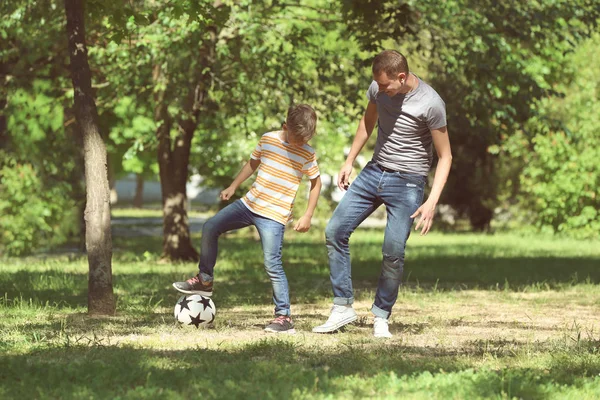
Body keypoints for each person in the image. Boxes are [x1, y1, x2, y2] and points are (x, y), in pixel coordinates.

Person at [312, 50, 452, 338]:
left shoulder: (431, 103)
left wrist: (432, 201)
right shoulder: (378, 87)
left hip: (409, 182)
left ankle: (381, 317)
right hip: (374, 171)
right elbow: (367, 123)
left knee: (393, 251)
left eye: (387, 85)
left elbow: (446, 156)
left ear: (401, 77)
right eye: (378, 85)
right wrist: (350, 160)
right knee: (335, 231)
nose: (381, 91)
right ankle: (342, 307)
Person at [173, 104, 322, 334]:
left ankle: (284, 317)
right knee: (210, 226)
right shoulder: (268, 139)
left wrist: (308, 214)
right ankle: (204, 279)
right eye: (297, 139)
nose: (301, 143)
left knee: (272, 264)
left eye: (305, 139)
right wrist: (233, 186)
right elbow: (253, 163)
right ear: (285, 127)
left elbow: (316, 183)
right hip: (249, 204)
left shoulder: (307, 154)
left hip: (274, 214)